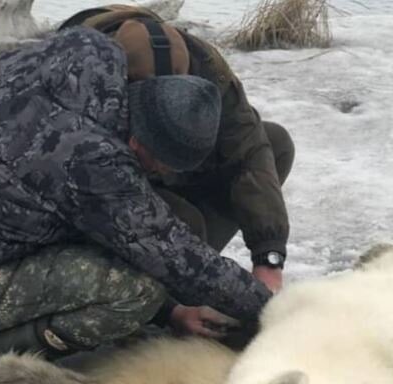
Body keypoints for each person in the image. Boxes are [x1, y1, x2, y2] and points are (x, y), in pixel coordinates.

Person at [0, 26, 274, 384]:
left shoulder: (84, 52)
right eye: (160, 166)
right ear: (142, 142)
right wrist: (274, 314)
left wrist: (174, 312)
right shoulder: (92, 161)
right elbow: (177, 258)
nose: (156, 176)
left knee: (96, 245)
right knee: (138, 291)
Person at [58, 5, 295, 291]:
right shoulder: (82, 85)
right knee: (183, 222)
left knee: (275, 141)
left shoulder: (205, 66)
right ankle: (153, 297)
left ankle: (193, 277)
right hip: (100, 200)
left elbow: (247, 149)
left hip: (160, 167)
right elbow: (89, 197)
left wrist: (268, 257)